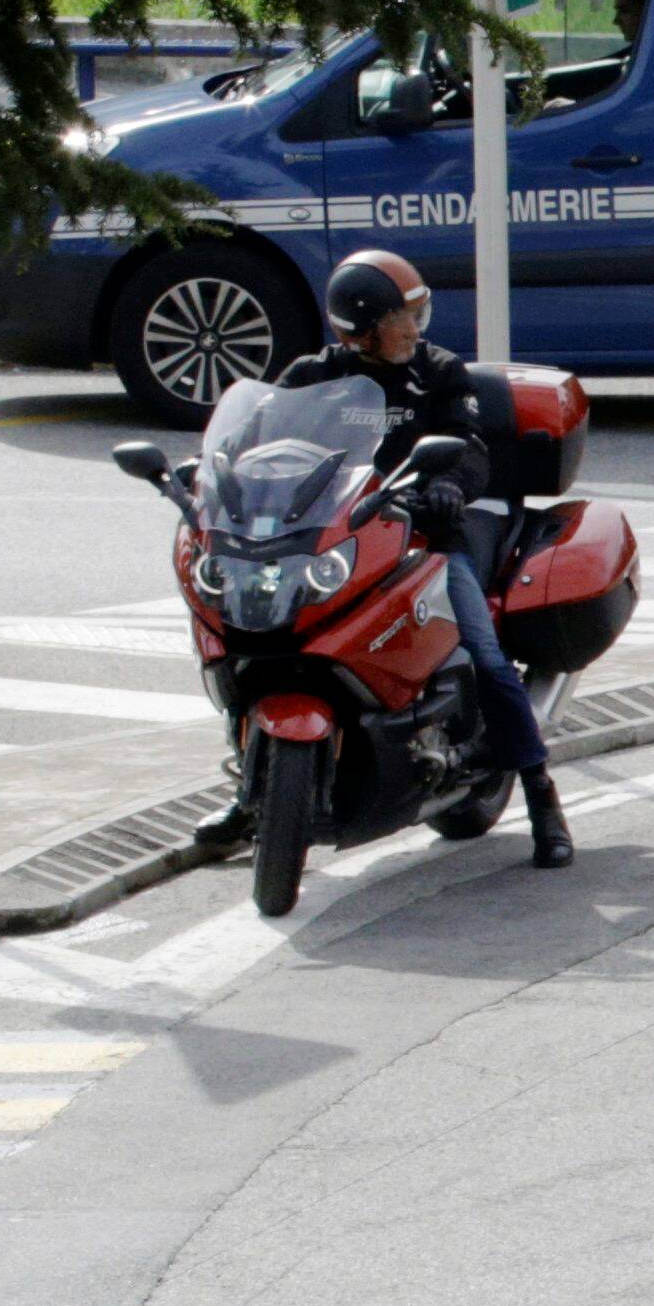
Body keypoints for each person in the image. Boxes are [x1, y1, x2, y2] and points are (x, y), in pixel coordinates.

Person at [238, 249, 570, 868]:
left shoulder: (439, 371)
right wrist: (222, 474)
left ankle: (541, 797)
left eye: (418, 314)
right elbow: (254, 439)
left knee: (488, 657)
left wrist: (451, 485)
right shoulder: (311, 377)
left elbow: (471, 449)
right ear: (362, 329)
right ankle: (249, 793)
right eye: (403, 317)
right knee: (261, 634)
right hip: (342, 538)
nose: (416, 329)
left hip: (428, 533)